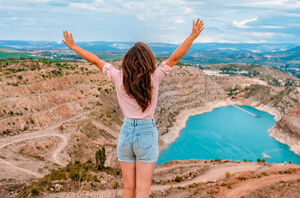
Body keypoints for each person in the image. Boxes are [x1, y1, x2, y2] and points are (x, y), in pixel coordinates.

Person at [61, 18, 204, 198]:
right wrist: (192, 36)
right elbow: (175, 57)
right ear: (148, 61)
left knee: (128, 189)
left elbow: (96, 61)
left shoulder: (118, 77)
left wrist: (74, 47)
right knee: (142, 190)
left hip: (126, 133)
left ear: (126, 61)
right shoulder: (155, 77)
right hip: (146, 133)